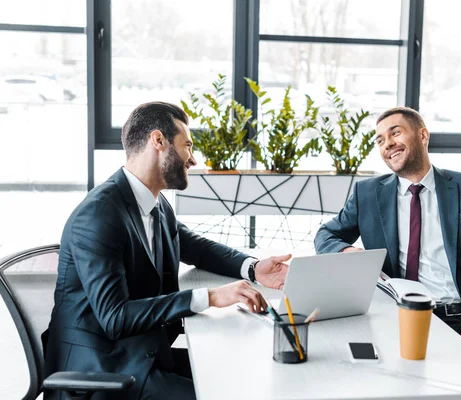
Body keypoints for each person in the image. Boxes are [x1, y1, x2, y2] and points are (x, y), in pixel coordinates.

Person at [43, 102, 290, 400]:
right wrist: (210, 297)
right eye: (187, 145)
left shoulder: (154, 203)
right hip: (103, 370)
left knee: (247, 373)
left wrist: (253, 267)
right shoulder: (98, 215)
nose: (193, 159)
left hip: (142, 353)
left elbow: (196, 247)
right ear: (158, 141)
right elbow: (115, 317)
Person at [314, 106, 461, 400]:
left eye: (395, 132)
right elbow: (326, 235)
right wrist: (347, 250)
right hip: (401, 321)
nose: (386, 143)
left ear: (423, 135)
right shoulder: (368, 193)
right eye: (379, 139)